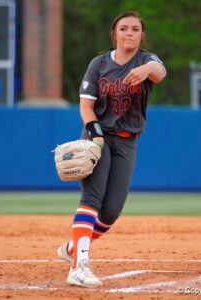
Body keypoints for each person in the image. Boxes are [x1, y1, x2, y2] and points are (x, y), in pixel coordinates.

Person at [57, 11, 166, 288]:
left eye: (135, 29)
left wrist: (146, 70)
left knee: (111, 211)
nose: (129, 33)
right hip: (98, 135)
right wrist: (95, 135)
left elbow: (160, 72)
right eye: (124, 28)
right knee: (92, 198)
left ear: (142, 35)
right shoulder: (99, 64)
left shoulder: (147, 60)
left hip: (128, 141)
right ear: (114, 33)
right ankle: (79, 266)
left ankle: (72, 247)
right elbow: (86, 106)